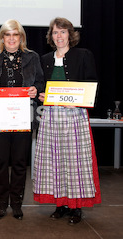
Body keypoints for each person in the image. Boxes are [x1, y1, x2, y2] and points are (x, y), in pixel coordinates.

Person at [33, 17, 101, 225]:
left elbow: (91, 84)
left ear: (70, 35)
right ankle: (60, 205)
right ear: (51, 36)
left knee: (75, 163)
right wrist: (41, 94)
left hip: (74, 116)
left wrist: (80, 102)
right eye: (55, 32)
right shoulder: (44, 59)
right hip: (51, 117)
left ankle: (76, 207)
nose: (59, 36)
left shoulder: (83, 55)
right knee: (54, 162)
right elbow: (40, 85)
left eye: (63, 32)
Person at [0, 19, 44, 220]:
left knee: (20, 162)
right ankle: (1, 203)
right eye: (8, 34)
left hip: (23, 116)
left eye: (16, 34)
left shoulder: (32, 57)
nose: (12, 38)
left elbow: (41, 82)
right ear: (2, 38)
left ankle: (16, 203)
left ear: (21, 37)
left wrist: (36, 89)